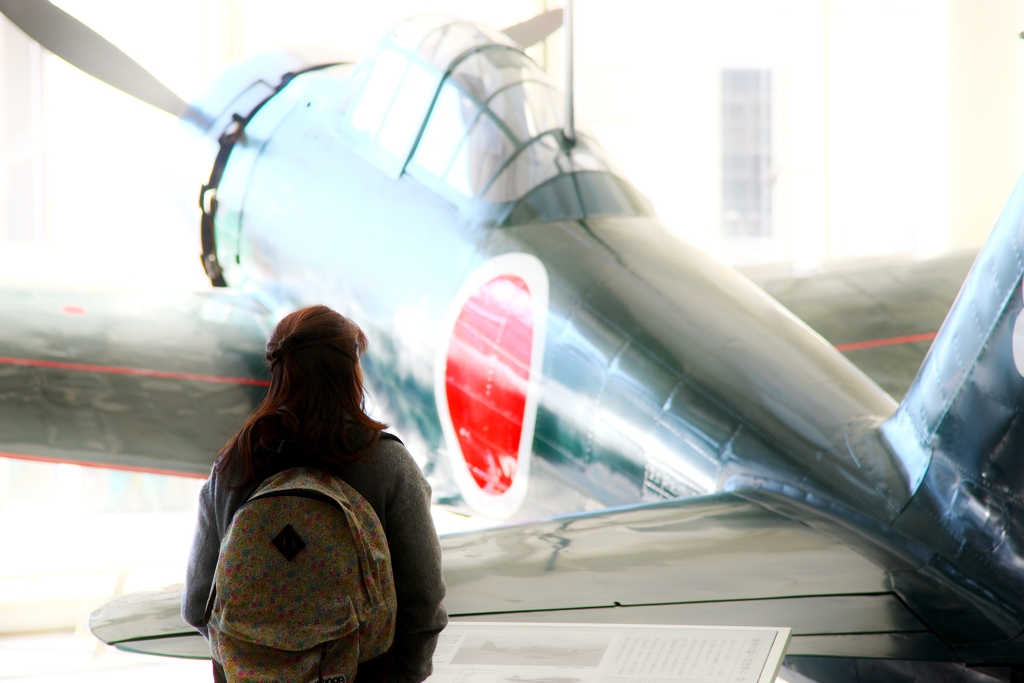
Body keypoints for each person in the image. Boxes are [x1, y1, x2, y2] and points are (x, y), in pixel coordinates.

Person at [182, 305, 447, 682]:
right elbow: (424, 609)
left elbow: (197, 607)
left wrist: (257, 663)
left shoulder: (233, 468)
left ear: (278, 371)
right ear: (349, 373)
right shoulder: (388, 465)